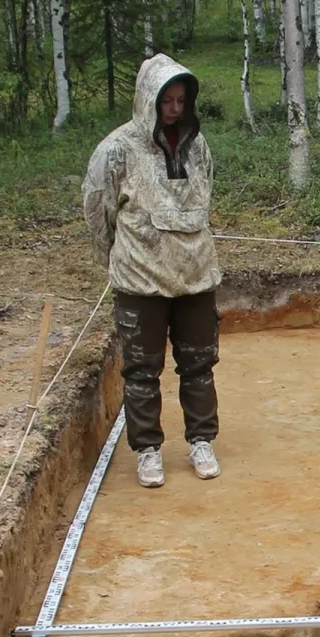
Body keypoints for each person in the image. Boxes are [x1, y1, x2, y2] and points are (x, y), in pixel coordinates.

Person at [83, 54, 223, 488]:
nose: (174, 109)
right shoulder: (115, 150)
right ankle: (147, 450)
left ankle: (201, 440)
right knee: (142, 370)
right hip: (140, 279)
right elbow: (97, 211)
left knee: (199, 364)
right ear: (149, 99)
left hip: (195, 275)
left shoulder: (198, 145)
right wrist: (119, 257)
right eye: (167, 100)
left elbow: (205, 197)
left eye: (182, 101)